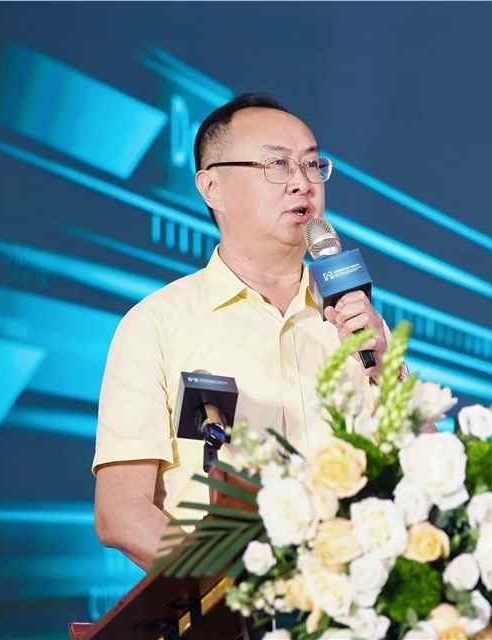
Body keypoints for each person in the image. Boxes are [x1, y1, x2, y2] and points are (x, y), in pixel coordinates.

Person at [92, 93, 392, 570]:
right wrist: (239, 588)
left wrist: (386, 370)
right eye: (277, 165)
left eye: (312, 165)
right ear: (211, 187)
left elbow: (422, 476)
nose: (302, 183)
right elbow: (122, 513)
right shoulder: (157, 325)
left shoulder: (355, 323)